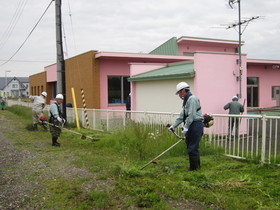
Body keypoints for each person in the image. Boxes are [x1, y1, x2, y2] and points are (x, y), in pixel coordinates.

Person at [168, 82, 204, 171]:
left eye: (179, 93)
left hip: (196, 125)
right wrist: (174, 126)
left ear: (183, 91)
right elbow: (182, 116)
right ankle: (196, 167)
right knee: (190, 146)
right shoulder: (187, 100)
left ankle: (194, 168)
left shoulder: (192, 99)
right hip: (191, 124)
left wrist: (186, 127)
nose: (179, 95)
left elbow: (191, 114)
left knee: (193, 147)